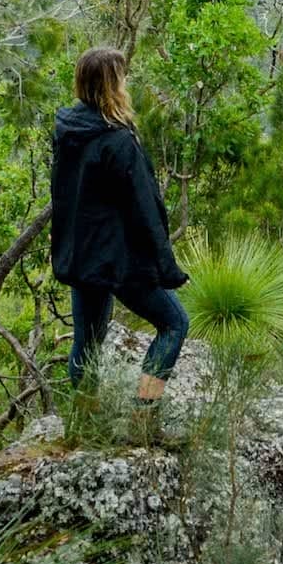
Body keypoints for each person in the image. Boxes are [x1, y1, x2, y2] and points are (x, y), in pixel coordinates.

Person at [51, 46, 190, 403]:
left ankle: (82, 424)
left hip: (82, 256)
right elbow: (145, 209)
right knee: (174, 323)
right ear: (115, 85)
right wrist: (166, 267)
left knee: (87, 342)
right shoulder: (119, 141)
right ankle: (145, 412)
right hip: (119, 260)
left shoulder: (68, 131)